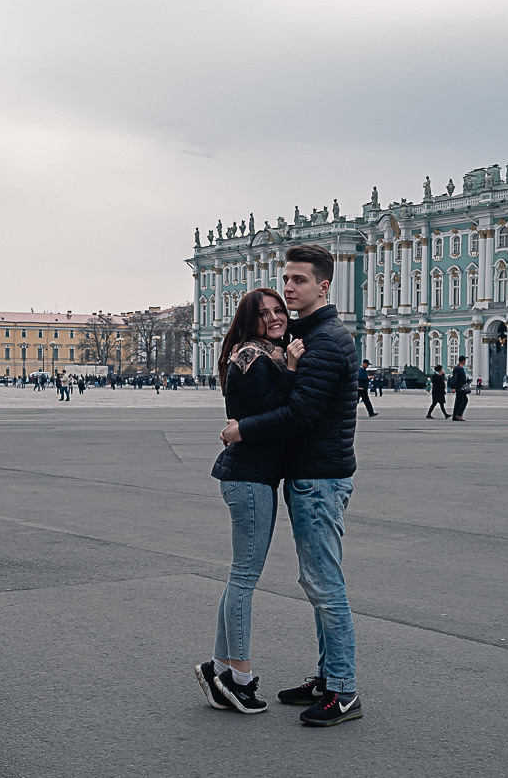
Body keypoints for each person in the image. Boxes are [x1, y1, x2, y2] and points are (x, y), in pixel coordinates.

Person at [219, 244, 363, 727]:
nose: (288, 288)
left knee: (325, 584)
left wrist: (242, 430)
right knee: (316, 581)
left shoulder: (326, 341)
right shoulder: (309, 335)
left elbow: (301, 413)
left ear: (324, 285)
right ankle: (328, 677)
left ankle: (342, 690)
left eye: (298, 280)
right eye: (286, 279)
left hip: (320, 478)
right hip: (310, 475)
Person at [197, 287, 298, 715]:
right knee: (244, 580)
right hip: (250, 478)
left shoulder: (254, 353)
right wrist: (293, 366)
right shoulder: (256, 358)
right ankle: (238, 678)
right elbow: (273, 417)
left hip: (249, 477)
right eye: (264, 314)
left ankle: (219, 668)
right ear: (248, 320)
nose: (275, 318)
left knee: (238, 577)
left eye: (280, 310)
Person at [450, 355, 470, 421]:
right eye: (465, 360)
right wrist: (453, 387)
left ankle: (455, 416)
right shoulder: (457, 368)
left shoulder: (461, 368)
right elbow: (454, 378)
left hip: (461, 387)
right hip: (459, 387)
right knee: (464, 400)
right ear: (463, 360)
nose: (465, 361)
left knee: (458, 402)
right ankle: (459, 414)